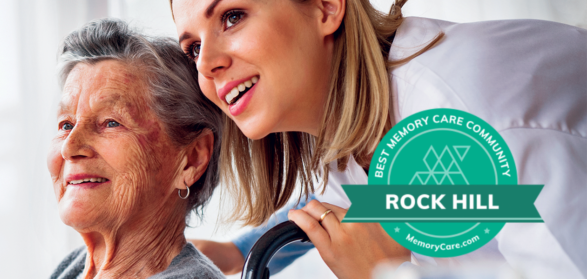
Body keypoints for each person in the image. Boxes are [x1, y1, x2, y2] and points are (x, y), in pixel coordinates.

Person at [171, 0, 587, 278]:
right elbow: (350, 199)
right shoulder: (356, 123)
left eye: (232, 16)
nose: (206, 64)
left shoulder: (462, 118)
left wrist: (390, 273)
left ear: (325, 7)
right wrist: (241, 251)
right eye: (192, 48)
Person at [48, 19, 227, 279]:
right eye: (66, 124)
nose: (69, 147)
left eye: (111, 122)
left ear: (191, 159)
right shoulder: (71, 269)